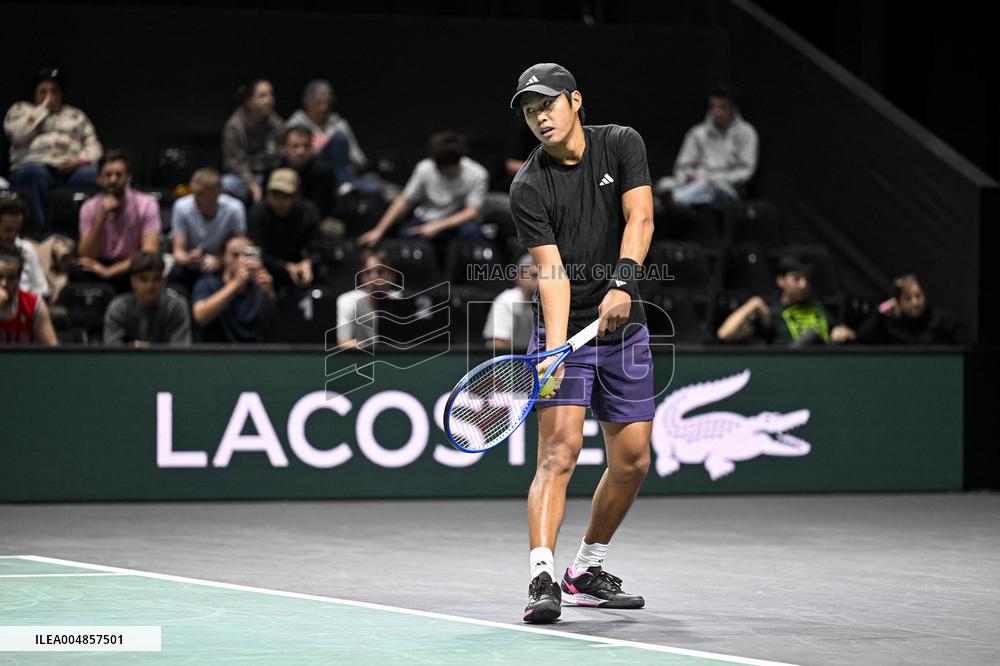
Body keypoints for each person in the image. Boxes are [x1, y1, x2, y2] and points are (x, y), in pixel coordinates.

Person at [508, 63, 655, 623]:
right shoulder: (528, 185)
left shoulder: (620, 144)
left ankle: (585, 570)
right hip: (567, 325)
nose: (539, 117)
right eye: (528, 110)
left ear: (575, 101)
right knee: (559, 451)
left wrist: (622, 282)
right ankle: (542, 578)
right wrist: (555, 350)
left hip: (626, 325)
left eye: (547, 104)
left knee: (633, 460)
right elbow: (552, 273)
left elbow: (639, 217)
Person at [4, 66, 102, 231]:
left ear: (62, 94)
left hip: (70, 170)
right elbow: (16, 135)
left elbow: (94, 145)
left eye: (54, 91)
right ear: (35, 93)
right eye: (43, 91)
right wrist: (42, 110)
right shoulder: (21, 110)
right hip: (32, 166)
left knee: (97, 176)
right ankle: (41, 231)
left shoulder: (76, 115)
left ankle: (90, 231)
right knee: (36, 174)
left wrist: (81, 160)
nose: (49, 96)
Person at [357, 132, 487, 250]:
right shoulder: (425, 168)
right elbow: (404, 200)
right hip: (425, 218)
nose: (440, 171)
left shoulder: (477, 174)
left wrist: (437, 226)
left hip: (454, 223)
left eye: (444, 168)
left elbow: (471, 212)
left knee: (472, 233)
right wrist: (379, 230)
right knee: (404, 236)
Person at [656, 84, 758, 212]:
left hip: (726, 189)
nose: (717, 112)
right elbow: (681, 167)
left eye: (722, 107)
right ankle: (666, 203)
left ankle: (672, 202)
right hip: (694, 183)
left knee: (707, 186)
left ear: (733, 108)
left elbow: (746, 172)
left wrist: (712, 178)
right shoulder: (697, 133)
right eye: (713, 107)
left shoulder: (746, 133)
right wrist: (689, 177)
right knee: (665, 184)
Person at [716, 256, 855, 345]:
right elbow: (725, 334)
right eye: (797, 279)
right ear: (781, 281)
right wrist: (752, 303)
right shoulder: (772, 312)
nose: (803, 285)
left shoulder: (817, 307)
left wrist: (845, 332)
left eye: (806, 279)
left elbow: (848, 333)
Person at [76, 150, 161, 293]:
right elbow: (86, 255)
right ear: (99, 179)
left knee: (148, 271)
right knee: (80, 270)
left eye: (119, 175)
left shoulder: (147, 205)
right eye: (108, 175)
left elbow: (149, 253)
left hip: (133, 266)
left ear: (129, 178)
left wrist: (110, 271)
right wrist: (101, 217)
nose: (113, 180)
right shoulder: (89, 207)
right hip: (99, 265)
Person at [285, 79, 374, 193]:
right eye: (318, 103)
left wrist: (362, 166)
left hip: (341, 173)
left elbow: (357, 157)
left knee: (373, 189)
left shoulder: (338, 124)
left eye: (326, 103)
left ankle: (343, 184)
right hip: (309, 175)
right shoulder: (296, 124)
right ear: (308, 103)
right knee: (338, 139)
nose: (324, 108)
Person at [169, 168, 247, 289]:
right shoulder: (182, 206)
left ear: (217, 193)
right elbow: (178, 252)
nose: (195, 199)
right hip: (190, 264)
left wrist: (219, 261)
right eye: (193, 193)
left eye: (200, 194)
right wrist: (191, 259)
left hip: (222, 263)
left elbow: (238, 249)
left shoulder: (234, 209)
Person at [191, 234, 275, 343]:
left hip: (251, 353)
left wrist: (267, 294)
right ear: (223, 258)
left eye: (247, 254)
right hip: (216, 352)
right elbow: (200, 316)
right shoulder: (207, 284)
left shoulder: (259, 286)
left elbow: (269, 324)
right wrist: (236, 283)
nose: (242, 260)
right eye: (235, 255)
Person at [247, 169, 322, 290]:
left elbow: (318, 246)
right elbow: (259, 251)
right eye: (275, 195)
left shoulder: (308, 212)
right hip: (269, 270)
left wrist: (309, 262)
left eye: (286, 196)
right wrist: (285, 267)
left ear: (297, 196)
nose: (280, 202)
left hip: (302, 268)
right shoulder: (257, 213)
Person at [103, 252, 191, 347]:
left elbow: (180, 351)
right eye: (144, 279)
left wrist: (150, 352)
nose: (151, 285)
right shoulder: (119, 307)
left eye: (156, 279)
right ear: (133, 281)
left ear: (163, 281)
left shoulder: (176, 307)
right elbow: (112, 351)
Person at [222, 79, 284, 205]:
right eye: (262, 96)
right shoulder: (235, 126)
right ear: (249, 101)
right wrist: (252, 185)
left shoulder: (274, 121)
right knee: (227, 183)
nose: (269, 99)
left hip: (268, 174)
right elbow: (236, 163)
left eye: (271, 94)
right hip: (243, 177)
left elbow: (282, 147)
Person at [856, 274, 964, 345]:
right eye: (908, 298)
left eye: (918, 296)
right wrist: (880, 311)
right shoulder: (892, 323)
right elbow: (862, 336)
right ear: (898, 302)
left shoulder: (939, 319)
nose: (915, 303)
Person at [334, 249, 399, 349]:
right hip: (362, 360)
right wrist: (373, 351)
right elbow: (343, 341)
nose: (374, 277)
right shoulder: (347, 301)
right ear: (362, 277)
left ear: (392, 275)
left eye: (380, 271)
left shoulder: (402, 301)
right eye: (368, 272)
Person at [271, 126, 337, 216]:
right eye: (295, 146)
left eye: (306, 146)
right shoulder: (275, 168)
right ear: (285, 148)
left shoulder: (323, 171)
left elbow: (323, 207)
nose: (301, 151)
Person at [0, 245, 58, 345]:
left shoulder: (33, 305)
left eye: (11, 278)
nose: (4, 283)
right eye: (0, 277)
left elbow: (53, 351)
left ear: (19, 278)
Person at [482, 253, 537, 352]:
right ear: (519, 278)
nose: (540, 280)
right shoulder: (506, 301)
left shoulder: (554, 301)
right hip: (513, 362)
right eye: (534, 275)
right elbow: (498, 343)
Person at [0, 195, 50, 298]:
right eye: (8, 231)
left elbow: (42, 291)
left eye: (17, 231)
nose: (13, 236)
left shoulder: (27, 250)